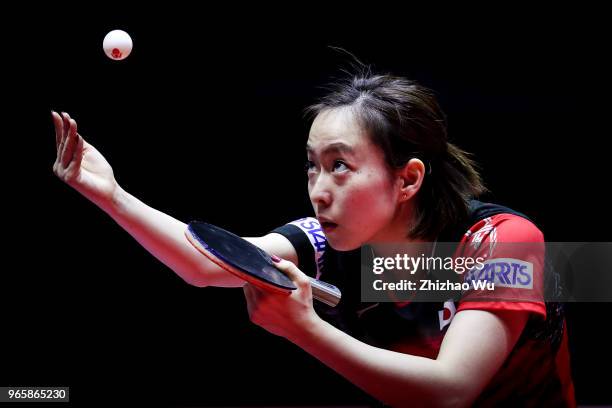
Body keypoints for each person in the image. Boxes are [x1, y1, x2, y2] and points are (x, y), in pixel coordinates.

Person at [52, 69, 575, 407]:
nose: (318, 192)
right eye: (311, 167)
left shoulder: (504, 241)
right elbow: (208, 264)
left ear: (408, 178)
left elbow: (452, 391)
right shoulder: (332, 243)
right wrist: (112, 196)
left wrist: (304, 330)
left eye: (340, 166)